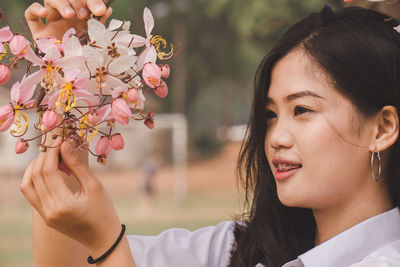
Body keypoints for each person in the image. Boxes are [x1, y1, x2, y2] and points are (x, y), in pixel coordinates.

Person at [20, 1, 400, 266]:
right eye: (270, 114)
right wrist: (66, 70)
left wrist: (107, 242)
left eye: (302, 110)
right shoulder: (240, 249)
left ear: (382, 128)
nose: (276, 137)